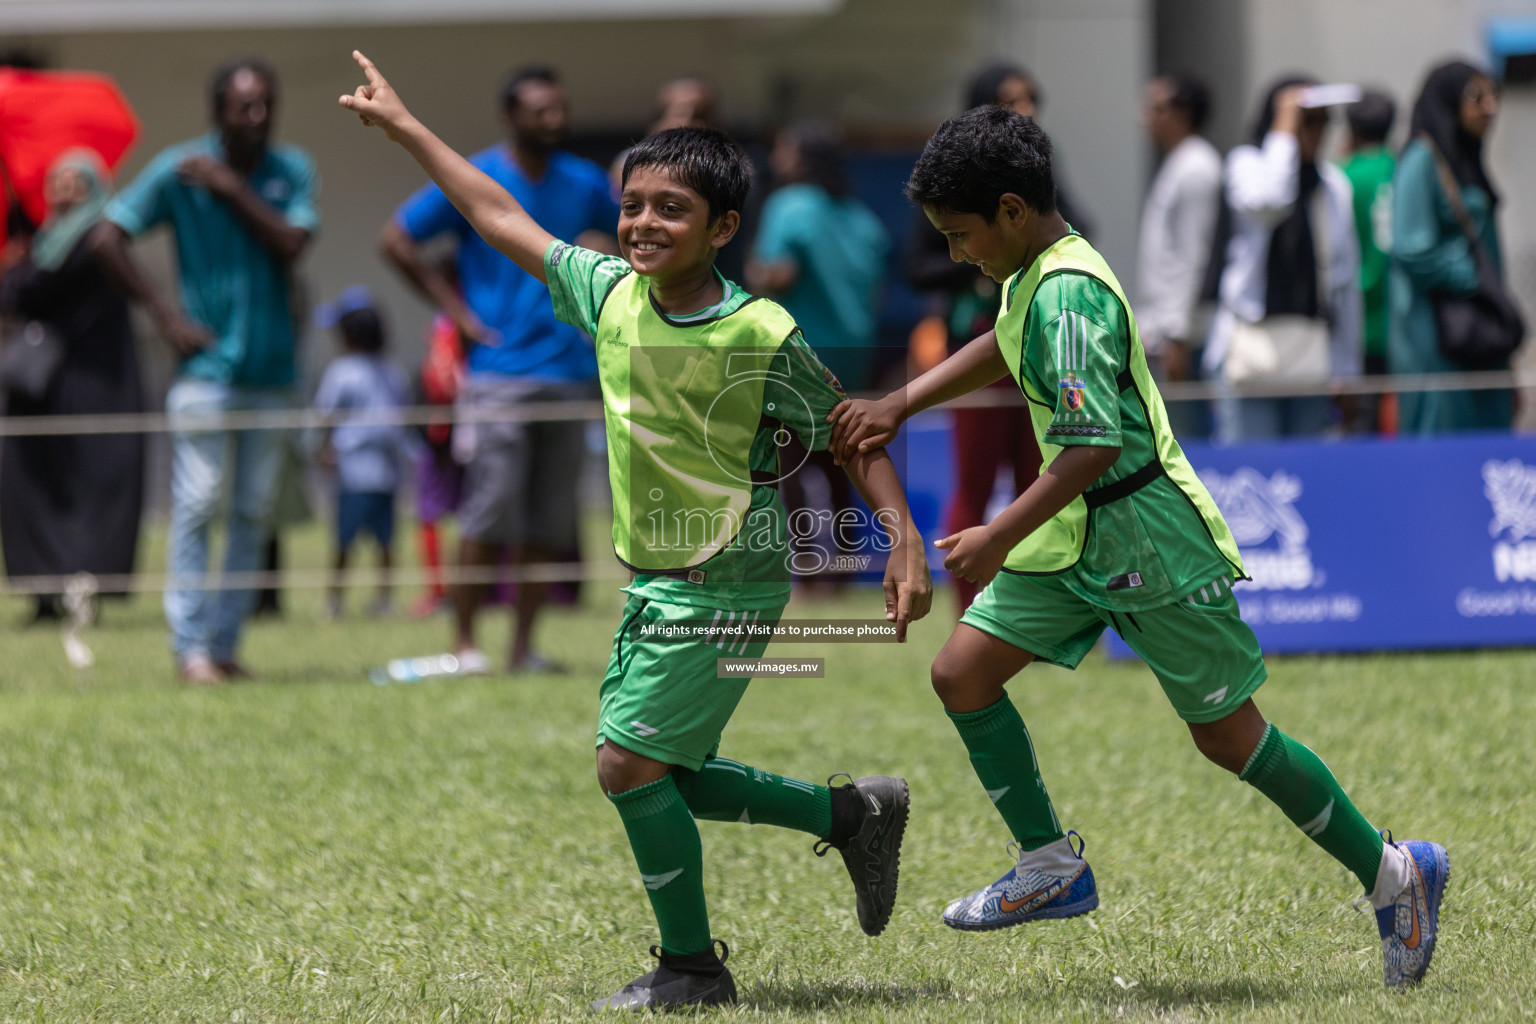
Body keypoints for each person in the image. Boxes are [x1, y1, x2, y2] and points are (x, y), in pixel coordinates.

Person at [341, 50, 932, 1010]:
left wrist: (900, 538)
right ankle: (851, 812)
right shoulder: (610, 294)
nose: (643, 224)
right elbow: (497, 216)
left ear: (724, 228)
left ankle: (692, 969)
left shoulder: (759, 334)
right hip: (657, 582)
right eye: (633, 205)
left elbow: (849, 433)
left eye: (671, 209)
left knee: (627, 766)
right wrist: (407, 127)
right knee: (667, 776)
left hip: (729, 586)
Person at [829, 105, 1447, 990]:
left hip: (1145, 537)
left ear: (1009, 209)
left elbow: (1093, 447)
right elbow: (1002, 348)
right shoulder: (1033, 272)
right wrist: (898, 403)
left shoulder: (1070, 292)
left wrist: (1001, 536)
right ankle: (1048, 864)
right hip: (1077, 533)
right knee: (961, 672)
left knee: (1231, 739)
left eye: (961, 235)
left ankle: (1395, 872)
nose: (957, 254)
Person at [380, 65, 619, 675]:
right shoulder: (478, 174)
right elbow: (397, 239)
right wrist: (455, 312)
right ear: (510, 115)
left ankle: (523, 648)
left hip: (569, 372)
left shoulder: (585, 182)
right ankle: (464, 644)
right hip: (499, 374)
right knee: (488, 513)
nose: (553, 119)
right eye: (540, 109)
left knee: (548, 519)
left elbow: (622, 237)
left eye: (559, 108)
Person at [92, 58, 318, 685]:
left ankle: (225, 646)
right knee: (195, 504)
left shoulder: (290, 170)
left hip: (273, 373)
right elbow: (106, 236)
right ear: (217, 111)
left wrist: (231, 188)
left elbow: (293, 242)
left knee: (250, 513)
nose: (258, 117)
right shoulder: (178, 168)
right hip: (205, 374)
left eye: (267, 104)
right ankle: (189, 649)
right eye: (244, 106)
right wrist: (164, 315)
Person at [0, 149, 144, 621]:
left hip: (94, 389)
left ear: (95, 187)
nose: (64, 190)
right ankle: (45, 592)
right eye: (57, 180)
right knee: (35, 485)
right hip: (41, 390)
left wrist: (17, 270)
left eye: (76, 181)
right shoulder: (47, 242)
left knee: (90, 490)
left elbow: (29, 290)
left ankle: (84, 591)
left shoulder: (96, 241)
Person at [747, 122, 889, 587]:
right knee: (841, 459)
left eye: (784, 148)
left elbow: (780, 274)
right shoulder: (862, 216)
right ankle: (845, 569)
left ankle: (807, 569)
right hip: (854, 351)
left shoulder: (788, 206)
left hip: (799, 352)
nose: (776, 157)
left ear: (801, 158)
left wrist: (751, 271)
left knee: (786, 462)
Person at [1205, 77, 1362, 441]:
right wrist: (1286, 125)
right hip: (1248, 348)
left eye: (1325, 120)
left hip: (1311, 353)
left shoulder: (1333, 185)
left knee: (1306, 474)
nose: (1317, 131)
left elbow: (1344, 283)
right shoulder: (1246, 163)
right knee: (1252, 470)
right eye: (1308, 120)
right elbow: (1271, 199)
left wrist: (1350, 372)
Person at [1390, 62, 1510, 433]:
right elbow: (1411, 249)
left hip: (1480, 333)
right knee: (1441, 447)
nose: (1489, 106)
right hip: (1436, 337)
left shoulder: (1468, 158)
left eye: (1493, 95)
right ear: (1448, 101)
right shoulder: (1422, 159)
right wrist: (1473, 276)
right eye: (1476, 97)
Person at [312, 286, 414, 620]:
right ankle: (383, 600)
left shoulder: (341, 372)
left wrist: (322, 448)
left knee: (344, 540)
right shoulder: (393, 371)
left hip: (353, 472)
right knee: (385, 542)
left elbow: (325, 416)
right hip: (386, 472)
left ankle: (334, 601)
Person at [1136, 72, 1221, 438]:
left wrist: (1177, 333)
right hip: (1168, 330)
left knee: (1186, 440)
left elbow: (1192, 253)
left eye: (1156, 108)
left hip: (1183, 335)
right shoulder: (1181, 163)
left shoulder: (1196, 167)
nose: (1145, 117)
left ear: (1182, 112)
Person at [1339, 90, 1398, 434]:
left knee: (1361, 421)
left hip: (1357, 319)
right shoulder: (1402, 168)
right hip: (1400, 318)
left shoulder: (1340, 175)